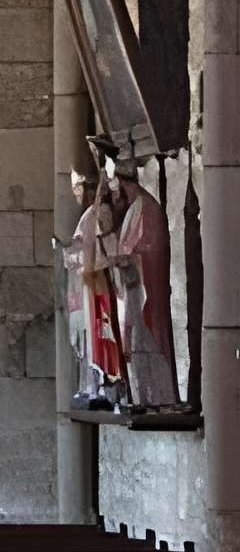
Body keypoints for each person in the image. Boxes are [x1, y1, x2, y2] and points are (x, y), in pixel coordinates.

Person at [101, 157, 178, 407]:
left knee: (147, 342)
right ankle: (145, 397)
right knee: (136, 345)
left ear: (125, 183)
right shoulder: (137, 207)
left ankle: (158, 398)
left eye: (118, 188)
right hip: (135, 287)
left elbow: (148, 247)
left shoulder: (147, 208)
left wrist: (122, 257)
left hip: (145, 288)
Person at [62, 165, 121, 407]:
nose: (76, 192)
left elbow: (105, 249)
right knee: (88, 342)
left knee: (100, 336)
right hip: (86, 285)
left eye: (79, 186)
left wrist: (76, 256)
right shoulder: (89, 214)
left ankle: (102, 385)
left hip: (98, 287)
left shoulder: (101, 213)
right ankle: (89, 386)